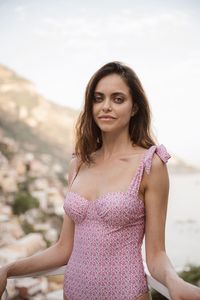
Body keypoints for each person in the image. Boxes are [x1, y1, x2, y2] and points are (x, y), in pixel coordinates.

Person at [0, 61, 200, 300]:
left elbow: (156, 255)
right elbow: (64, 248)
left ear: (134, 107)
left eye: (118, 99)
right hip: (72, 294)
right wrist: (8, 269)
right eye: (98, 98)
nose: (106, 106)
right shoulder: (79, 163)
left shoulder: (150, 164)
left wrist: (173, 282)